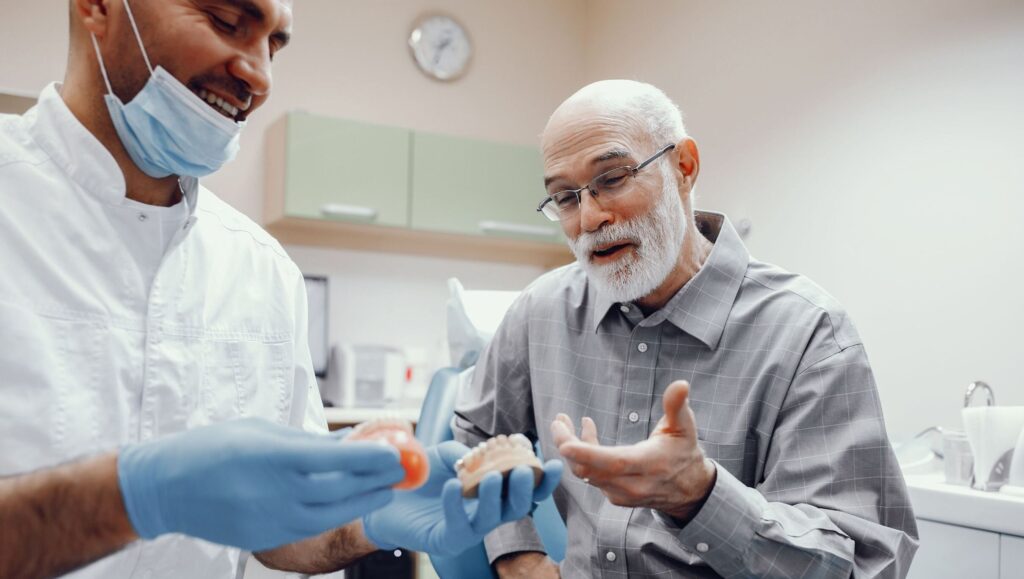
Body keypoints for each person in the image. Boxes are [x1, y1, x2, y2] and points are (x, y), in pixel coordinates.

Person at [0, 1, 561, 578]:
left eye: (273, 45)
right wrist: (135, 497)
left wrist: (362, 519)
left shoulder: (260, 268)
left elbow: (280, 535)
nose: (260, 76)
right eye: (225, 21)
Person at [453, 79, 919, 578]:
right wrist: (518, 556)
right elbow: (477, 433)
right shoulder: (542, 310)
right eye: (565, 198)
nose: (589, 218)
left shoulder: (808, 334)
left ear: (684, 167)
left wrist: (700, 496)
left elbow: (862, 565)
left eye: (613, 178)